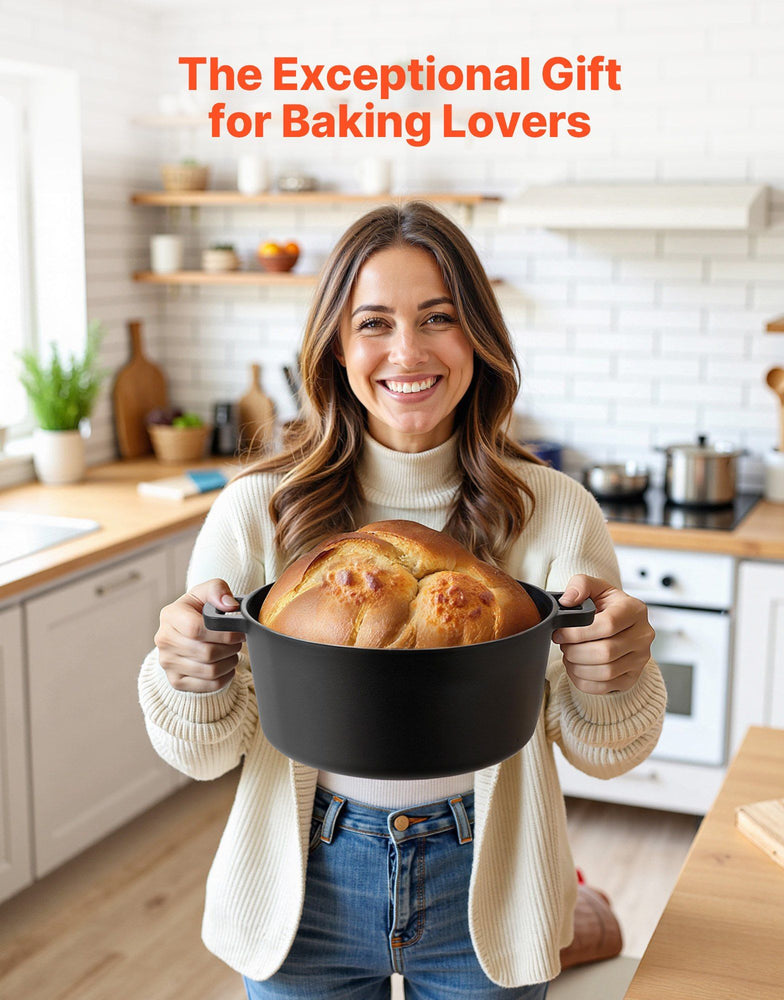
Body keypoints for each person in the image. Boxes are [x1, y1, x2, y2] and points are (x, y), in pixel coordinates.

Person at [139, 201, 666, 1000]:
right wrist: (186, 675)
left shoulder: (556, 510)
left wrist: (620, 674)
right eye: (374, 322)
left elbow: (603, 750)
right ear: (336, 347)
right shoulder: (258, 509)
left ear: (479, 337)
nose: (407, 351)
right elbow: (204, 751)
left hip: (489, 882)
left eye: (438, 318)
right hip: (301, 886)